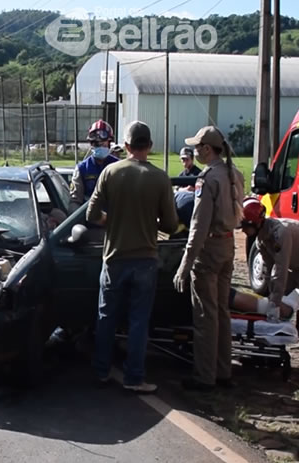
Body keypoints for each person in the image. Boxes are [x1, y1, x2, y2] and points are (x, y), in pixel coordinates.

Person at [87, 121, 178, 394]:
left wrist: (111, 220)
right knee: (139, 321)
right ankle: (134, 377)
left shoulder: (110, 172)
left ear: (126, 146)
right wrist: (151, 221)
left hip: (114, 257)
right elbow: (171, 225)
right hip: (146, 259)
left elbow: (91, 214)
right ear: (149, 146)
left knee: (106, 317)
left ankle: (101, 371)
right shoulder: (160, 178)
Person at [173, 126, 245, 392]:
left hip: (209, 248)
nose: (194, 151)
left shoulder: (207, 179)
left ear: (206, 149)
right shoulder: (233, 173)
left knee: (206, 315)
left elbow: (198, 226)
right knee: (222, 312)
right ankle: (223, 371)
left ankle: (205, 376)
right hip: (227, 245)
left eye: (197, 147)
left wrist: (185, 265)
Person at [240, 197, 299, 323]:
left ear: (255, 224)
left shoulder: (280, 234)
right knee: (283, 292)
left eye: (245, 226)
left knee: (283, 290)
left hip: (295, 266)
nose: (243, 230)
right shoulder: (261, 239)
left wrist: (274, 304)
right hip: (296, 266)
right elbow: (268, 270)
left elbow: (280, 270)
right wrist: (271, 298)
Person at [69, 119, 119, 212]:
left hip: (115, 217)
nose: (100, 147)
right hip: (90, 218)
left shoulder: (118, 166)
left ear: (109, 143)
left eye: (103, 144)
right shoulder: (82, 169)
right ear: (91, 144)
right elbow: (75, 201)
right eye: (96, 144)